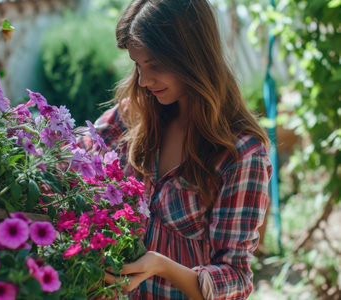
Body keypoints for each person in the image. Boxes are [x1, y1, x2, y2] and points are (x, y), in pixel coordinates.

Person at [86, 0, 272, 299]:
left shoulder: (241, 154)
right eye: (138, 64)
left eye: (155, 65)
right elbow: (77, 159)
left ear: (192, 56)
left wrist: (162, 266)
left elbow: (236, 278)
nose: (144, 81)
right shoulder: (136, 113)